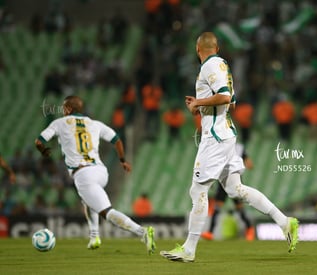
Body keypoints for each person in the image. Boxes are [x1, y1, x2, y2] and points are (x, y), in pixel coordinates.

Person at [160, 32, 299, 263]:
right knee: (235, 189)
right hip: (225, 132)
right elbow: (231, 100)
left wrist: (198, 102)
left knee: (198, 191)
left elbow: (224, 97)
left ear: (198, 48)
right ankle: (285, 222)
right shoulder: (223, 65)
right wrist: (199, 106)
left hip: (215, 136)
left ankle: (189, 249)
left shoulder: (209, 66)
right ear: (216, 46)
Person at [34, 95, 156, 253]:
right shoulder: (95, 124)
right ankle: (94, 236)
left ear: (68, 109)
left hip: (83, 173)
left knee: (107, 212)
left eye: (64, 107)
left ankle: (143, 232)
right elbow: (117, 140)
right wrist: (122, 160)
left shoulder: (59, 123)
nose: (63, 110)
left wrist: (43, 151)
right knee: (88, 200)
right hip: (100, 171)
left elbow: (39, 141)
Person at [201, 143, 255, 241]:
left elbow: (248, 162)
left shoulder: (239, 147)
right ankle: (210, 232)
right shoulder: (220, 147)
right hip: (223, 180)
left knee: (239, 207)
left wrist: (247, 164)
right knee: (217, 207)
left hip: (235, 180)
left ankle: (249, 229)